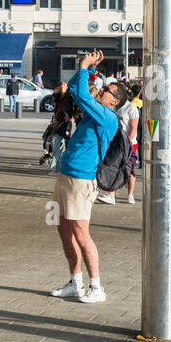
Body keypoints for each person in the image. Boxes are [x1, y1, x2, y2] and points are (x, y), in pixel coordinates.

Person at [49, 50, 124, 304]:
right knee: (63, 229)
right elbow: (74, 88)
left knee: (81, 232)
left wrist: (83, 65)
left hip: (82, 179)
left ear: (114, 101)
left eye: (107, 91)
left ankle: (97, 286)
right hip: (67, 173)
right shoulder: (97, 111)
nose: (102, 91)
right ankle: (75, 282)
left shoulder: (107, 117)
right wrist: (89, 70)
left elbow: (81, 93)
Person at [115, 89, 140, 202]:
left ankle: (130, 194)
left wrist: (128, 142)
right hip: (117, 141)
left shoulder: (131, 108)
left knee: (130, 168)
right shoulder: (116, 107)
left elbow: (133, 127)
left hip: (129, 143)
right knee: (114, 167)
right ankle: (111, 194)